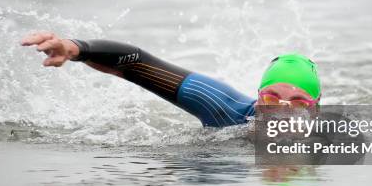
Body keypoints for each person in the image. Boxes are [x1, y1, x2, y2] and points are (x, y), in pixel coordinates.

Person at [21, 32, 321, 128]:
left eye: (297, 104)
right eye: (271, 99)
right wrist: (76, 49)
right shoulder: (226, 110)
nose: (281, 113)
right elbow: (138, 63)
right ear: (257, 99)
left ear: (315, 109)